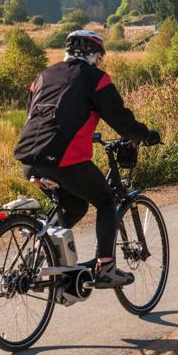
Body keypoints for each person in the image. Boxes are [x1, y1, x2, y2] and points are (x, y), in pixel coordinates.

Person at [14, 30, 160, 287]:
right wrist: (145, 135)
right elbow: (120, 120)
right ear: (95, 56)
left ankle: (37, 257)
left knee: (76, 206)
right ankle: (106, 267)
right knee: (105, 201)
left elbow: (38, 115)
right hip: (61, 157)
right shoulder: (96, 78)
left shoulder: (43, 76)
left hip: (28, 157)